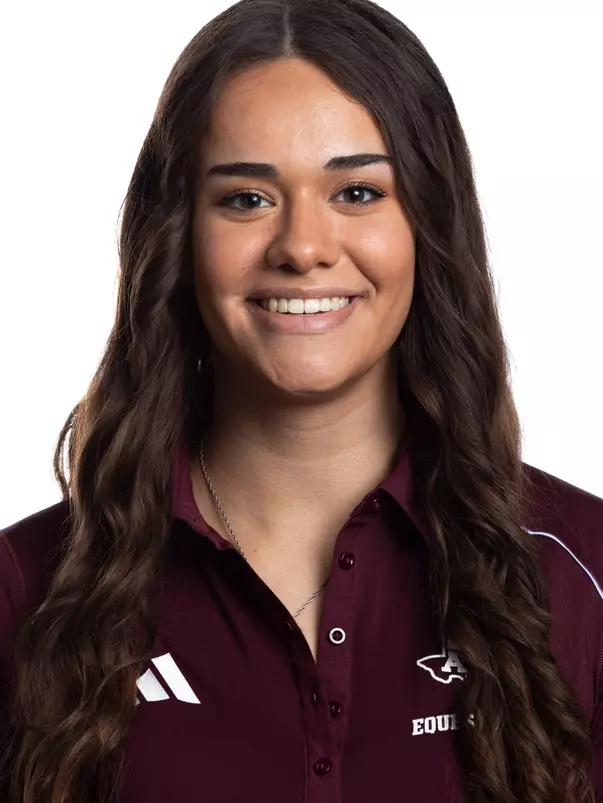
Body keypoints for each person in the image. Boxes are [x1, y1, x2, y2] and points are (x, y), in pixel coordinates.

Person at [0, 0, 602, 801]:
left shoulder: (581, 569)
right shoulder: (26, 587)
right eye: (246, 199)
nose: (304, 248)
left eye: (356, 192)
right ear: (177, 234)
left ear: (428, 222)